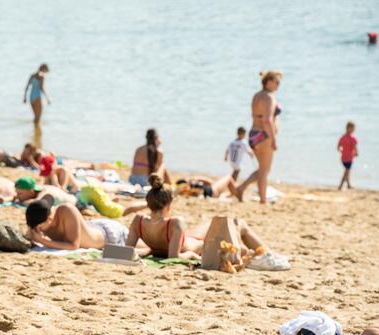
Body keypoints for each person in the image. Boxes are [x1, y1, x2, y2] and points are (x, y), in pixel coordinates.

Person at [126, 174, 285, 270]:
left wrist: (150, 251)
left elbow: (127, 251)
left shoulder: (138, 221)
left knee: (216, 221)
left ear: (149, 203)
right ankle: (268, 254)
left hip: (187, 238)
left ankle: (268, 253)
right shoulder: (174, 222)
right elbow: (173, 256)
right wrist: (192, 255)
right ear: (168, 205)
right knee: (239, 223)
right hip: (199, 244)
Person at [236, 71, 283, 204]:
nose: (278, 85)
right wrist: (273, 139)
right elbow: (267, 120)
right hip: (264, 134)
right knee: (264, 170)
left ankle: (241, 187)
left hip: (253, 133)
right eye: (277, 82)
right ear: (268, 81)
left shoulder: (257, 96)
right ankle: (263, 200)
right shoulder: (269, 97)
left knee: (262, 169)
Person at [25, 195, 130, 250]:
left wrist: (43, 241)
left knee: (143, 247)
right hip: (90, 227)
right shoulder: (37, 218)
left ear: (49, 220)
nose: (36, 230)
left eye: (39, 228)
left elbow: (74, 245)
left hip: (110, 235)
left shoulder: (66, 210)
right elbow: (28, 238)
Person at [337, 121, 358, 190]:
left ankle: (348, 185)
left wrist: (341, 150)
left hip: (343, 157)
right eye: (353, 128)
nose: (353, 130)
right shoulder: (352, 138)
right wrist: (356, 153)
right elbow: (355, 148)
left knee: (347, 171)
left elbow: (338, 147)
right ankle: (340, 185)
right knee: (346, 172)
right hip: (348, 158)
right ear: (348, 128)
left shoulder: (342, 137)